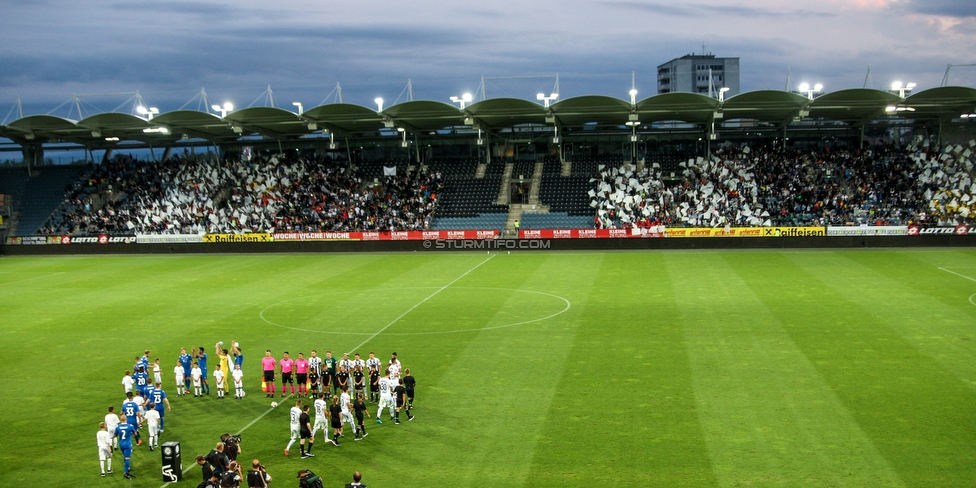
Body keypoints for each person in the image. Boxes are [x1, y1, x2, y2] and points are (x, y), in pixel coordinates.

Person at [114, 414, 137, 479]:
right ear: (126, 419)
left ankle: (127, 468)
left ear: (120, 420)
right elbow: (135, 433)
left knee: (125, 457)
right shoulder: (130, 426)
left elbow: (115, 435)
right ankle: (126, 472)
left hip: (121, 444)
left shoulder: (118, 427)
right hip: (128, 444)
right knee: (127, 458)